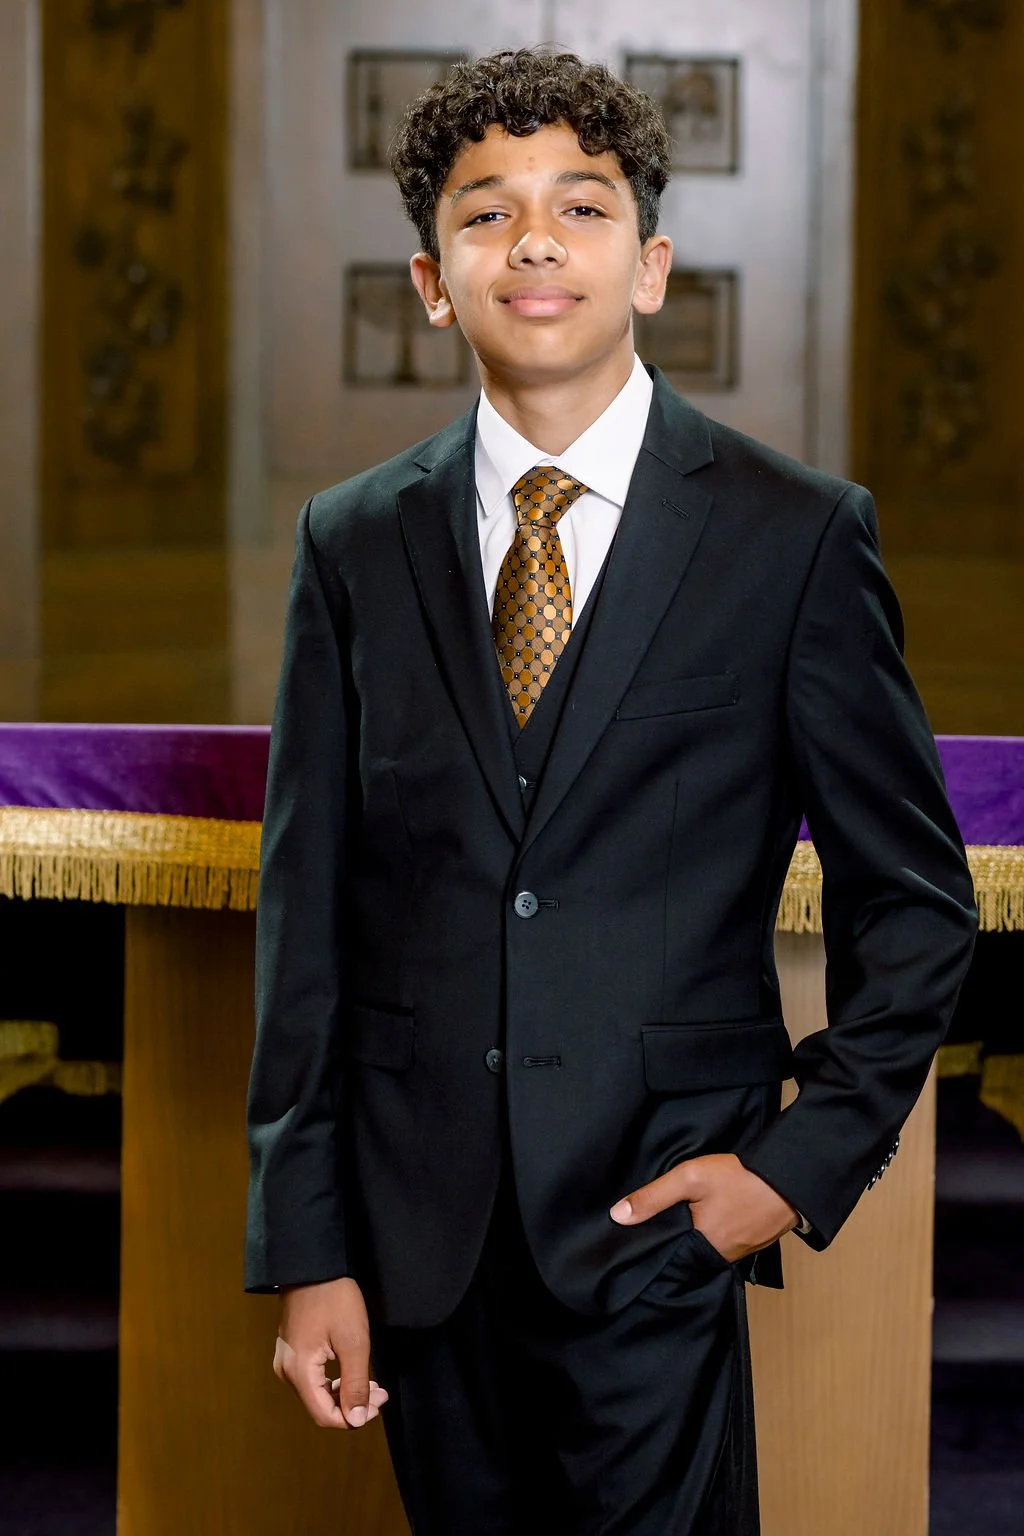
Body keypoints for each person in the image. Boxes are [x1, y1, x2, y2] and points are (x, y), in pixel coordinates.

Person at [245, 47, 977, 1536]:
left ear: (646, 267)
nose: (531, 241)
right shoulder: (351, 542)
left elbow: (917, 909)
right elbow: (306, 925)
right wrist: (308, 1245)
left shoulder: (795, 538)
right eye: (483, 215)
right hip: (415, 1236)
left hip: (660, 1222)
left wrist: (789, 1168)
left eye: (577, 209)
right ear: (434, 281)